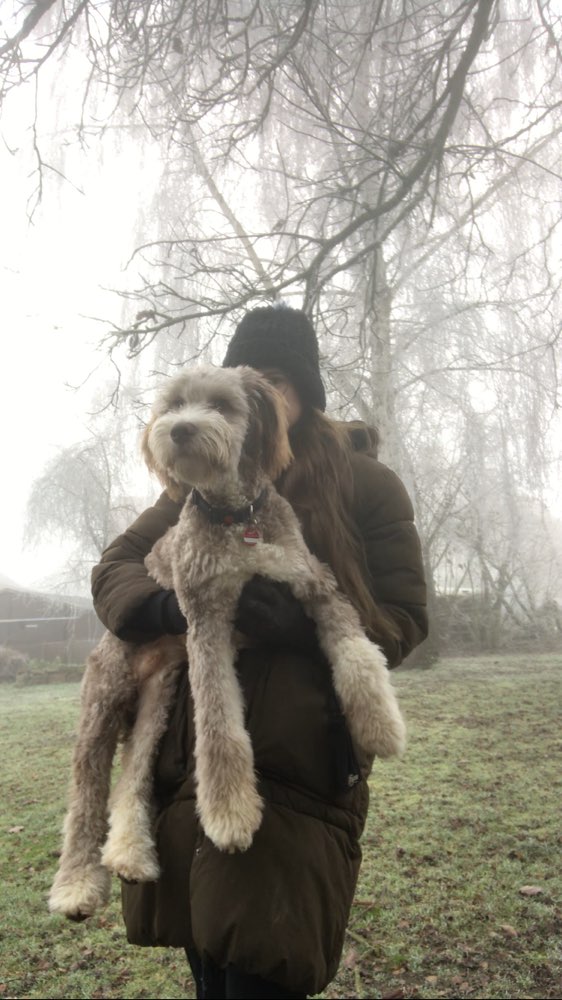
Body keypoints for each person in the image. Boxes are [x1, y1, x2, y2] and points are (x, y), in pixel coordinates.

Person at [91, 305, 428, 1000]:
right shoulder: (200, 482)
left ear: (304, 391)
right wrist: (170, 607)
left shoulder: (367, 483)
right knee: (209, 961)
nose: (265, 393)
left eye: (278, 379)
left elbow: (404, 618)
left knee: (265, 969)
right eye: (253, 378)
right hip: (193, 756)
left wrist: (300, 625)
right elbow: (115, 568)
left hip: (301, 764)